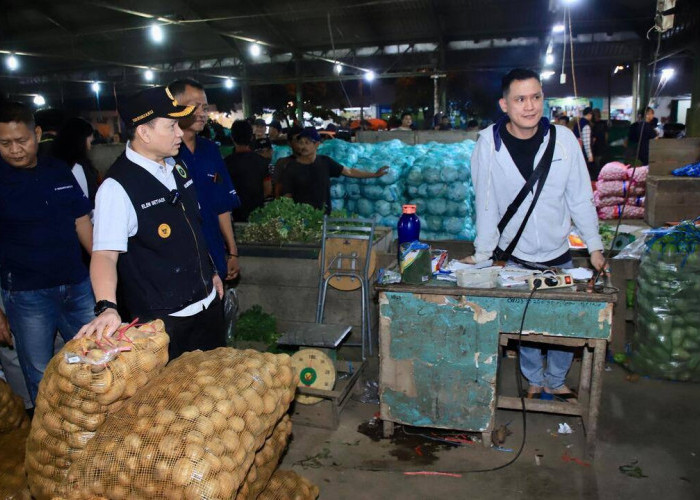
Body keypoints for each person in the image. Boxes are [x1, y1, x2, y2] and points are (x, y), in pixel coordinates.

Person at [461, 69, 606, 400]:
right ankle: (533, 377)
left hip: (559, 254)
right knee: (523, 322)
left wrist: (594, 246)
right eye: (520, 99)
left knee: (564, 321)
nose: (530, 106)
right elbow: (485, 204)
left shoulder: (565, 140)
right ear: (504, 104)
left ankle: (555, 378)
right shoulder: (488, 145)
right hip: (516, 257)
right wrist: (484, 255)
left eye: (536, 97)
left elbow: (580, 198)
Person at [76, 86, 226, 361]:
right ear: (143, 132)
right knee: (173, 399)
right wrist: (107, 306)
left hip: (207, 307)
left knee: (215, 391)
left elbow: (192, 225)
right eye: (171, 127)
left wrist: (211, 271)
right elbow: (105, 255)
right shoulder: (117, 187)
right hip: (164, 324)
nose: (180, 133)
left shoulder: (176, 165)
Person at [0, 101, 95, 403]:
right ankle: (50, 439)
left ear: (37, 134)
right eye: (5, 143)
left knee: (97, 360)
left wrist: (104, 266)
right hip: (28, 296)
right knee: (41, 374)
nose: (15, 149)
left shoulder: (58, 170)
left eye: (21, 140)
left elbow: (81, 221)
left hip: (77, 285)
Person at [169, 78, 240, 282]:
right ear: (174, 108)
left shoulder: (210, 150)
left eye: (205, 107)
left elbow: (222, 204)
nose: (202, 113)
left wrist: (232, 252)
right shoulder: (164, 155)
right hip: (181, 262)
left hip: (214, 253)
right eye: (195, 106)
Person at [281, 127, 389, 214]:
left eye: (307, 142)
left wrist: (374, 174)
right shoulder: (291, 168)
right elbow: (287, 196)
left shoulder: (325, 162)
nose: (303, 146)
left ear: (317, 144)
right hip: (302, 219)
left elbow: (349, 171)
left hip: (323, 217)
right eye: (301, 142)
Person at [225, 120, 272, 222]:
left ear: (232, 138)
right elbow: (268, 189)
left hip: (234, 216)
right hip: (257, 216)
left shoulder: (225, 164)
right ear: (251, 137)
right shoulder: (262, 162)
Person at [53, 117, 100, 204]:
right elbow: (83, 202)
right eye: (89, 141)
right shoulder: (78, 167)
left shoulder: (54, 163)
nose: (89, 147)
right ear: (81, 140)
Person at [573, 107, 596, 180]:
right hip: (583, 153)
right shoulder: (586, 125)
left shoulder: (578, 123)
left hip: (576, 152)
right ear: (589, 114)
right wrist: (590, 155)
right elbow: (586, 142)